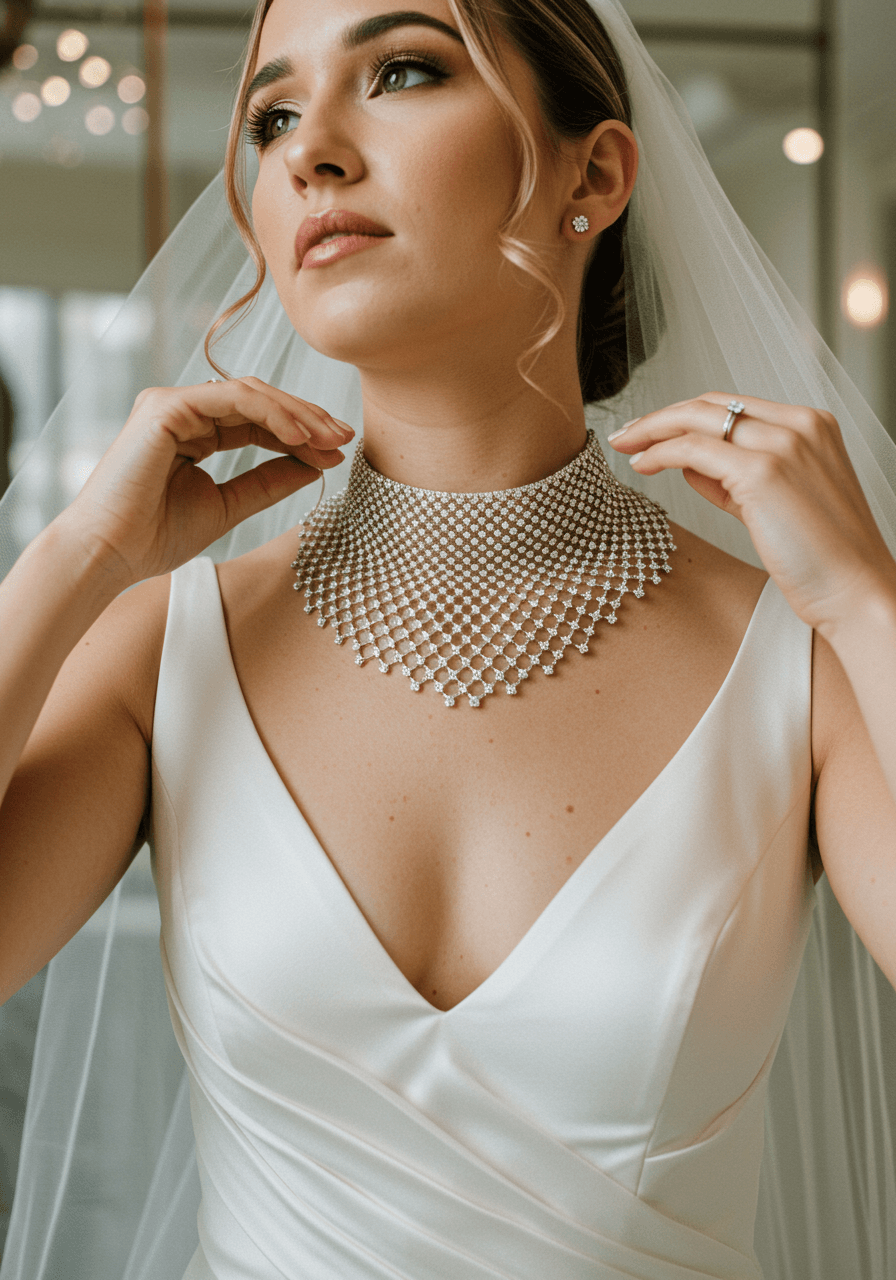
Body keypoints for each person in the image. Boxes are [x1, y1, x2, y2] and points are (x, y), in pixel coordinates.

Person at [1, 0, 896, 1276]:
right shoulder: (167, 647)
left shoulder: (799, 661)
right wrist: (71, 561)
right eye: (270, 113)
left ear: (593, 173)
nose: (308, 149)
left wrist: (867, 600)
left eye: (404, 69)